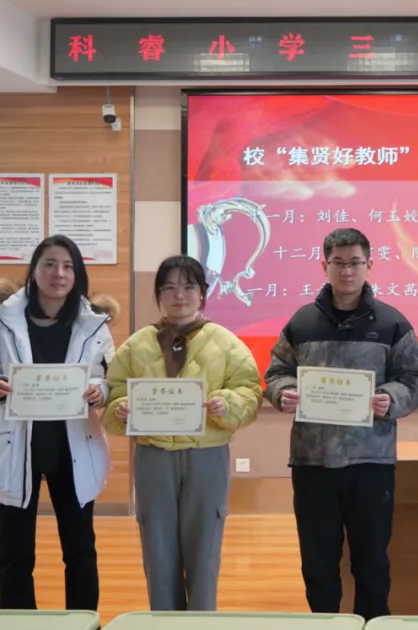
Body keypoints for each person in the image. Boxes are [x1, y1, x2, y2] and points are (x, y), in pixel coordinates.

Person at [264, 228, 418, 620]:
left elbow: (413, 379)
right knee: (317, 562)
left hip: (370, 461)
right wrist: (283, 392)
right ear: (324, 266)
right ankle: (325, 625)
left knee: (371, 562)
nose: (347, 271)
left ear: (369, 265)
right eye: (338, 262)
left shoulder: (392, 322)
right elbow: (277, 371)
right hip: (312, 461)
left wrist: (391, 399)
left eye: (355, 262)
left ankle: (372, 625)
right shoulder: (302, 322)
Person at [0, 235, 114, 610]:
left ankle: (83, 621)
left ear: (77, 275)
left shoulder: (93, 325)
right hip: (15, 447)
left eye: (68, 266)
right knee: (15, 553)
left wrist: (99, 391)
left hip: (72, 447)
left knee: (80, 550)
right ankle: (18, 623)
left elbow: (108, 377)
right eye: (49, 264)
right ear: (33, 271)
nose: (58, 273)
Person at [101, 255, 262, 611]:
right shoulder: (137, 345)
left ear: (203, 293)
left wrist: (226, 404)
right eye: (169, 287)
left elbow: (250, 391)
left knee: (205, 543)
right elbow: (112, 396)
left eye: (189, 287)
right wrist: (122, 409)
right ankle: (164, 618)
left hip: (207, 456)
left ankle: (201, 619)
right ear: (158, 294)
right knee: (156, 543)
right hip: (153, 456)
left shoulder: (226, 342)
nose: (179, 295)